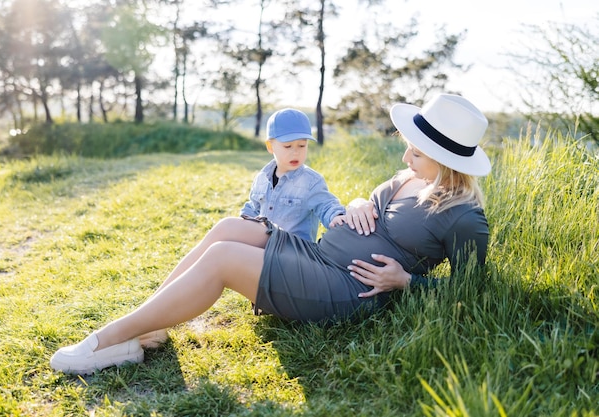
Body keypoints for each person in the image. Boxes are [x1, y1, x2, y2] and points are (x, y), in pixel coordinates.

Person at [50, 93, 492, 375]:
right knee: (228, 228)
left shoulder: (465, 217)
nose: (405, 154)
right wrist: (359, 203)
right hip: (320, 256)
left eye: (416, 151)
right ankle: (148, 328)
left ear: (445, 158)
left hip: (346, 289)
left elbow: (474, 290)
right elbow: (375, 212)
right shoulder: (407, 178)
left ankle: (110, 340)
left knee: (224, 258)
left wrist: (406, 282)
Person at [240, 108, 344, 242]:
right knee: (226, 241)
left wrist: (336, 216)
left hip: (292, 250)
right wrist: (242, 225)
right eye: (288, 146)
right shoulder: (262, 178)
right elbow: (253, 208)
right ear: (270, 146)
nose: (296, 152)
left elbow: (326, 205)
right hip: (264, 243)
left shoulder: (311, 181)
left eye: (302, 145)